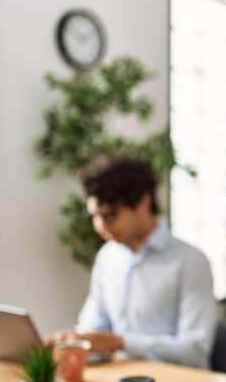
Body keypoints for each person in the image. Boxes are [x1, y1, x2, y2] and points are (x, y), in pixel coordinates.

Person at [59, 153, 217, 369]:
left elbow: (195, 352)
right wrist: (70, 340)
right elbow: (93, 326)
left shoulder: (190, 262)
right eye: (95, 216)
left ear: (144, 202)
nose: (100, 226)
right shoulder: (108, 256)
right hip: (118, 380)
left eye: (110, 214)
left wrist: (119, 343)